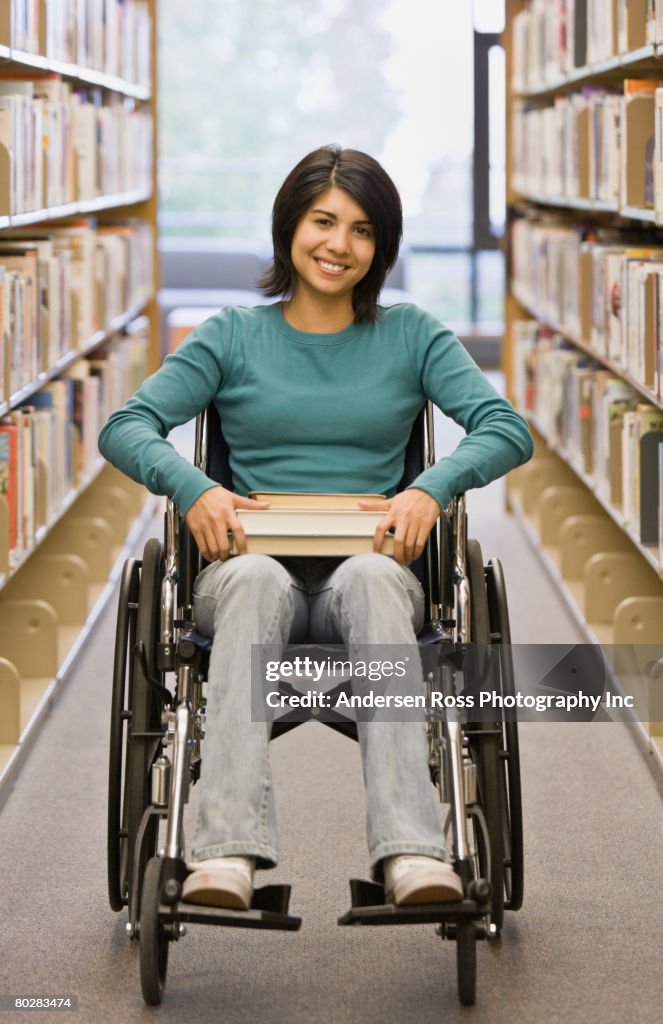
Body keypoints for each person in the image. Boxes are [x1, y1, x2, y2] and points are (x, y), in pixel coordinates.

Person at [99, 145, 533, 911]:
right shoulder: (231, 335)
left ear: (382, 245)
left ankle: (411, 856)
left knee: (370, 579)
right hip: (241, 574)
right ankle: (225, 854)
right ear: (288, 228)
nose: (339, 245)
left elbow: (505, 428)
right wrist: (195, 488)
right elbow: (127, 426)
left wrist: (428, 491)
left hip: (368, 574)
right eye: (322, 222)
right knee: (256, 579)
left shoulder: (412, 336)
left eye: (362, 230)